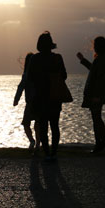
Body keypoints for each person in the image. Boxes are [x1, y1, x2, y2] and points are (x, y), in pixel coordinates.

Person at [27, 31, 67, 160]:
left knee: (43, 125)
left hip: (40, 96)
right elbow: (64, 76)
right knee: (55, 125)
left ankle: (46, 152)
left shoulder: (35, 59)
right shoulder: (58, 58)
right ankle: (54, 152)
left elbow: (30, 77)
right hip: (55, 96)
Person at [77, 36, 105, 153]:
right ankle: (103, 141)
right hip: (98, 93)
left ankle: (99, 144)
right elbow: (93, 70)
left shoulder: (101, 59)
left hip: (97, 94)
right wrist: (83, 60)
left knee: (96, 118)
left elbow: (99, 78)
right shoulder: (102, 58)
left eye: (95, 45)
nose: (93, 47)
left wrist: (96, 96)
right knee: (97, 118)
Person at [13, 52, 40, 151]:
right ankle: (36, 142)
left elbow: (20, 87)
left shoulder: (27, 75)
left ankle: (33, 141)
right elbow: (21, 87)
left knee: (26, 123)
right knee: (37, 124)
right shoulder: (38, 74)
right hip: (38, 103)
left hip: (31, 103)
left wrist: (16, 99)